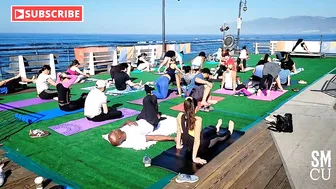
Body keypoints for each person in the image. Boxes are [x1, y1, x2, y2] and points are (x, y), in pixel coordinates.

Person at [175, 97, 235, 164]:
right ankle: (229, 131)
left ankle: (216, 128)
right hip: (201, 147)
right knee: (218, 138)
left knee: (206, 133)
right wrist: (194, 158)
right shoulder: (197, 120)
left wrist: (178, 145)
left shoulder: (179, 115)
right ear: (196, 108)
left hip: (188, 143)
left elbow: (179, 131)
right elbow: (197, 141)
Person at [107, 119, 176, 147]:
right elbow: (154, 137)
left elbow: (122, 126)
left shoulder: (121, 130)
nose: (114, 130)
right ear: (119, 137)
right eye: (114, 132)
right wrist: (173, 138)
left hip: (141, 118)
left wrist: (126, 122)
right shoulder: (133, 138)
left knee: (147, 102)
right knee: (148, 100)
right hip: (151, 121)